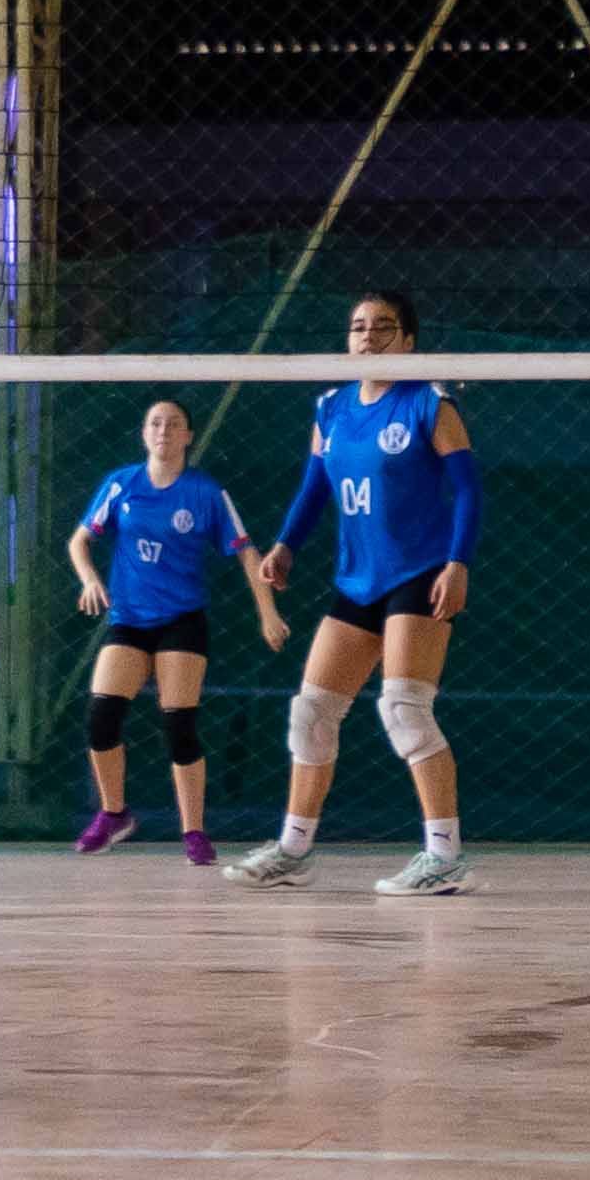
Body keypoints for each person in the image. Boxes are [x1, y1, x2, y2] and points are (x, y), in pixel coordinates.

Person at [228, 292, 480, 896]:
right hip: (356, 579)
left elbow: (469, 490)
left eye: (383, 328)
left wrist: (459, 562)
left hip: (418, 572)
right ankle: (293, 850)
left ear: (409, 340)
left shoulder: (427, 401)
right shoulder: (333, 407)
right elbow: (315, 486)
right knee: (311, 713)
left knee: (404, 710)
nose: (367, 337)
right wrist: (285, 545)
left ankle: (444, 856)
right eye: (358, 327)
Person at [66, 400, 275, 861]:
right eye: (155, 423)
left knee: (178, 725)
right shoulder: (121, 484)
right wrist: (90, 578)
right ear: (144, 434)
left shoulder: (204, 492)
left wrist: (268, 613)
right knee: (100, 720)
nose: (163, 430)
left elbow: (245, 551)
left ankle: (193, 831)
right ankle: (114, 813)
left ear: (188, 436)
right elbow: (80, 540)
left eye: (174, 423)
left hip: (182, 622)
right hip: (129, 621)